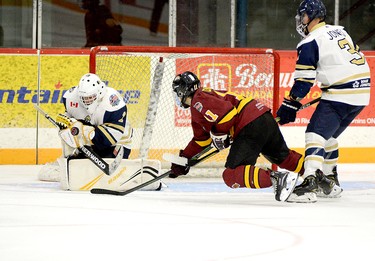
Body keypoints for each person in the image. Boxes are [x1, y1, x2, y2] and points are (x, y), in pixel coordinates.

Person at [276, 0, 371, 202]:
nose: (300, 21)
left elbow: (304, 80)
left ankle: (310, 183)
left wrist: (290, 104)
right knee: (328, 137)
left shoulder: (310, 41)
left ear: (310, 16)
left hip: (341, 93)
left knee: (314, 134)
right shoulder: (339, 31)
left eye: (302, 16)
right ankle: (330, 181)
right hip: (362, 93)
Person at [169, 71, 305, 202]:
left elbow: (228, 114)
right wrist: (183, 159)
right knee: (283, 157)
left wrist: (219, 134)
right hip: (262, 117)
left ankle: (277, 179)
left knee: (231, 175)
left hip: (249, 125)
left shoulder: (199, 100)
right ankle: (314, 175)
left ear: (181, 91)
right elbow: (201, 141)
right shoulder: (201, 101)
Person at [38, 73, 162, 191]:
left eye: (90, 97)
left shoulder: (113, 103)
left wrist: (82, 130)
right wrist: (68, 126)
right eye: (84, 98)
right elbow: (71, 124)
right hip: (91, 142)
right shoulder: (70, 98)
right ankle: (72, 159)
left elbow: (108, 139)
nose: (87, 101)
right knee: (73, 151)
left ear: (100, 92)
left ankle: (135, 174)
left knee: (108, 175)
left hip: (117, 143)